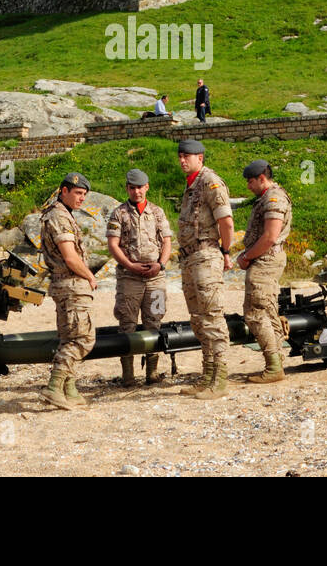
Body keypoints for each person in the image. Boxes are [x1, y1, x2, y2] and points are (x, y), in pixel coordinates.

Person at [176, 139, 234, 400]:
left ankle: (219, 380)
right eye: (180, 156)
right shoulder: (190, 186)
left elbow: (226, 221)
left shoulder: (210, 182)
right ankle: (207, 375)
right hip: (190, 259)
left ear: (200, 157)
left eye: (187, 156)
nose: (182, 160)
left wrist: (225, 251)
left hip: (206, 254)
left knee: (212, 317)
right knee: (198, 319)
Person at [106, 168, 172, 386]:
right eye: (132, 188)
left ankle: (152, 373)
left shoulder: (157, 212)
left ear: (147, 187)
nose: (136, 192)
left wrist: (161, 264)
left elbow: (167, 241)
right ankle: (128, 376)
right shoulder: (119, 214)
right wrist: (130, 265)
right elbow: (113, 245)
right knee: (127, 324)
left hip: (155, 279)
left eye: (140, 187)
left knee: (154, 321)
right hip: (129, 279)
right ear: (127, 188)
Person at [38, 172, 97, 409]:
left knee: (69, 338)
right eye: (78, 193)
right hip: (71, 284)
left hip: (64, 285)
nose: (82, 198)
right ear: (64, 191)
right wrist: (90, 276)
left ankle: (69, 390)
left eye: (84, 194)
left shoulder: (59, 214)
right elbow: (71, 258)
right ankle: (54, 386)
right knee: (83, 338)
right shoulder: (59, 217)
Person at [237, 160, 292, 383]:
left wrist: (247, 256)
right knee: (268, 311)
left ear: (261, 178)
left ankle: (273, 367)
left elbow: (270, 236)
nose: (248, 186)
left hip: (265, 261)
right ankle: (276, 363)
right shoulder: (269, 197)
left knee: (255, 312)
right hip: (265, 260)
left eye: (251, 182)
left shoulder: (273, 198)